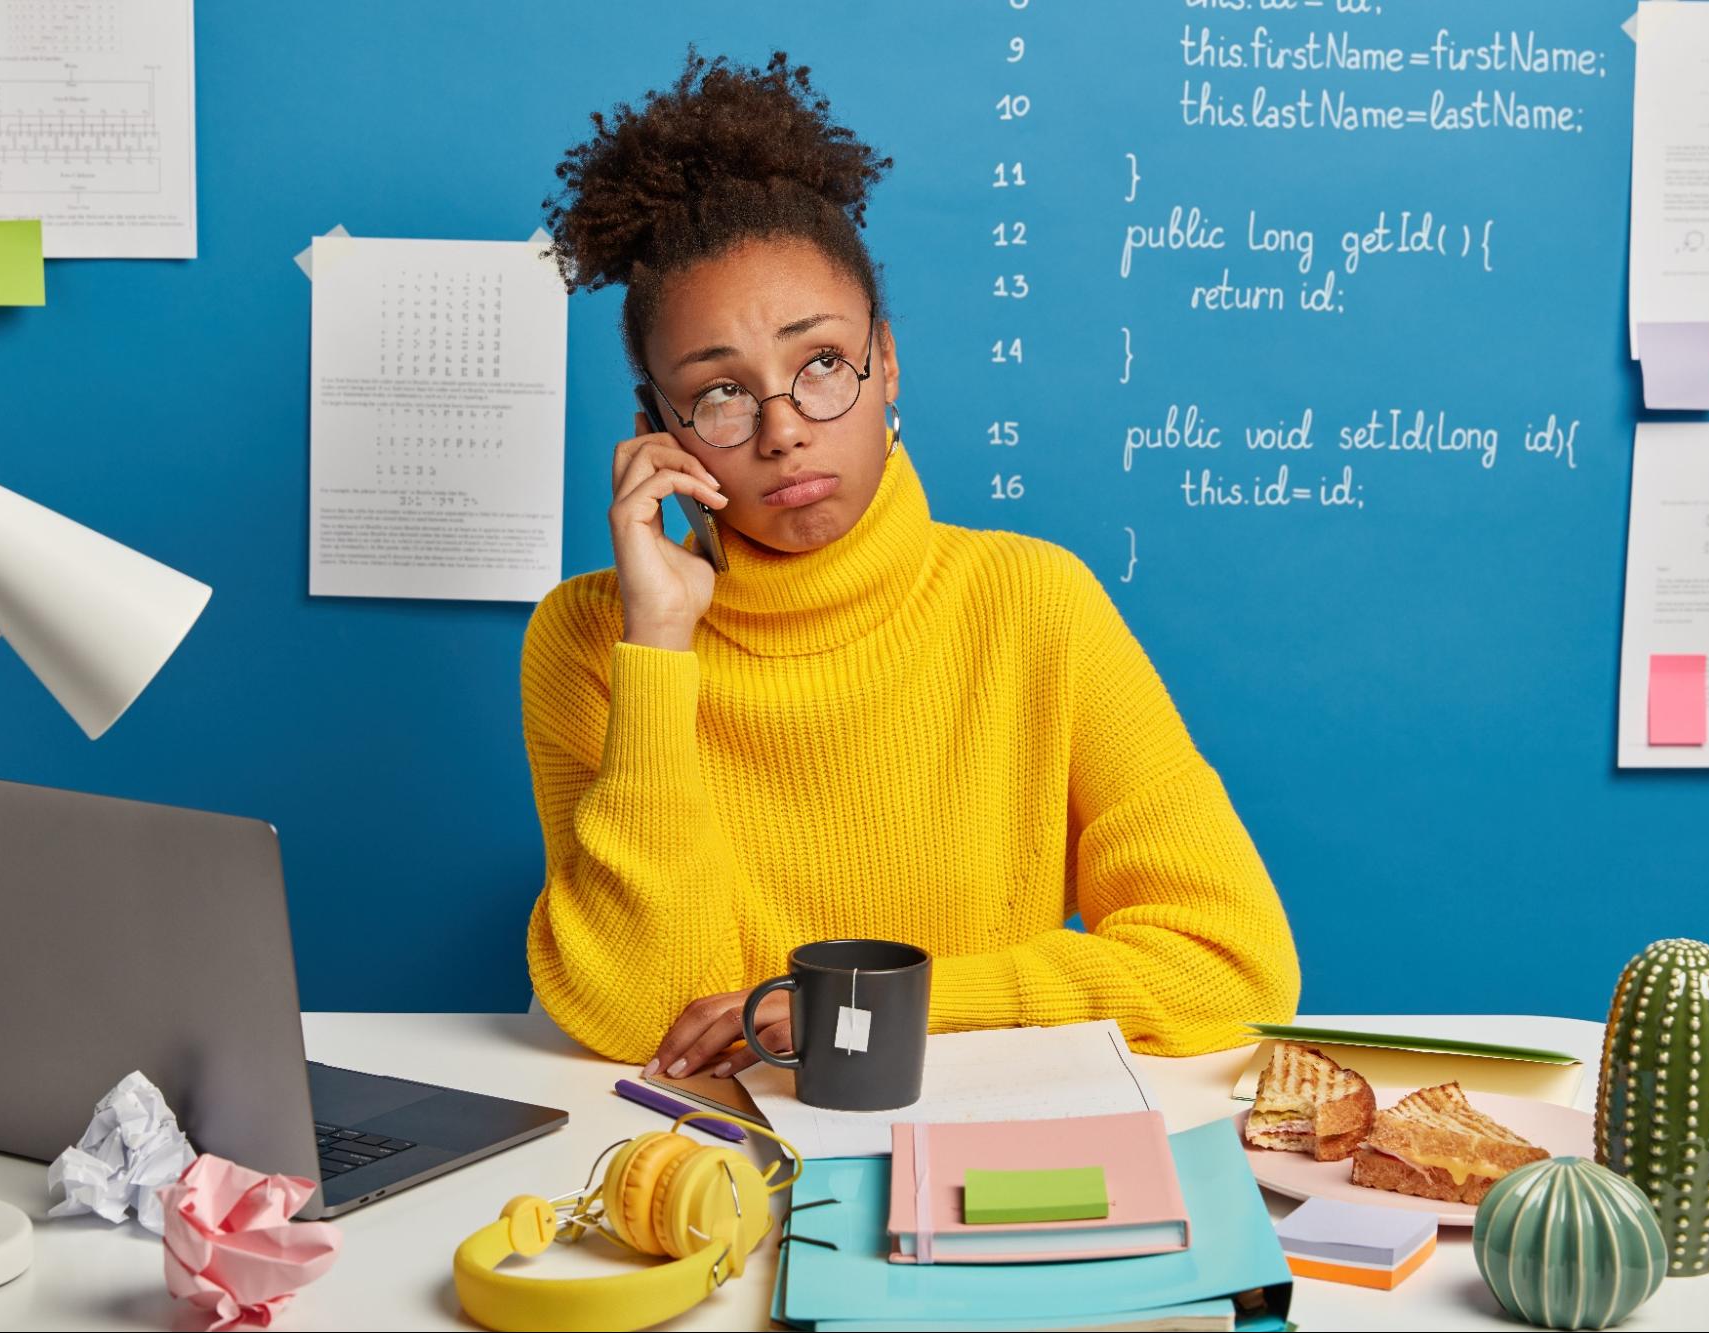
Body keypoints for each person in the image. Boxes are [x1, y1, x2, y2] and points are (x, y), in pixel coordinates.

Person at [522, 48, 1299, 1083]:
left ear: (886, 361)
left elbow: (1231, 967)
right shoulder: (590, 638)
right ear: (657, 430)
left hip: (977, 1138)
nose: (783, 429)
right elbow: (638, 1017)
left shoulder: (1033, 601)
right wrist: (658, 648)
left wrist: (892, 1005)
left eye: (822, 366)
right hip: (712, 1148)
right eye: (719, 394)